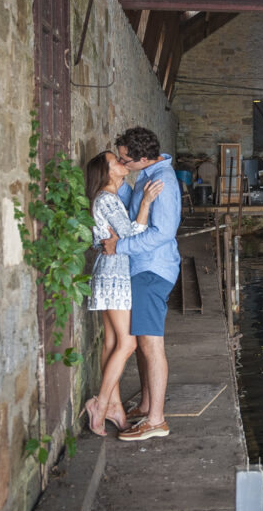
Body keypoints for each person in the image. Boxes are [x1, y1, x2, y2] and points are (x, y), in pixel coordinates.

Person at [101, 127, 181, 441]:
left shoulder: (163, 183)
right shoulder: (145, 175)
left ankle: (157, 421)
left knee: (150, 345)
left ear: (144, 158)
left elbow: (162, 233)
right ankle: (147, 404)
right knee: (141, 344)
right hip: (142, 270)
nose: (123, 162)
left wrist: (119, 247)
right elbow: (135, 215)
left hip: (151, 272)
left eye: (125, 160)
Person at [82, 150, 163, 436]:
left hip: (108, 271)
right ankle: (100, 403)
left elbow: (120, 237)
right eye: (115, 161)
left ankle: (114, 406)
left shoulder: (107, 199)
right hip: (115, 273)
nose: (121, 163)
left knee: (112, 341)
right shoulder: (108, 198)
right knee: (127, 344)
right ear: (107, 172)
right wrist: (147, 203)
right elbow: (131, 237)